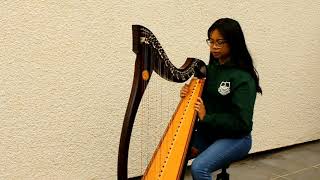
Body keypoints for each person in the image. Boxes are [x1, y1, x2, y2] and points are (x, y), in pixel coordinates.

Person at [180, 18, 262, 179]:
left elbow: (242, 123)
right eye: (211, 41)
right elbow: (202, 100)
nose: (214, 47)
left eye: (219, 42)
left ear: (233, 43)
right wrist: (187, 93)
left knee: (199, 168)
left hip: (236, 138)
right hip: (209, 133)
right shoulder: (209, 70)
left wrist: (206, 117)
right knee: (175, 152)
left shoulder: (243, 77)